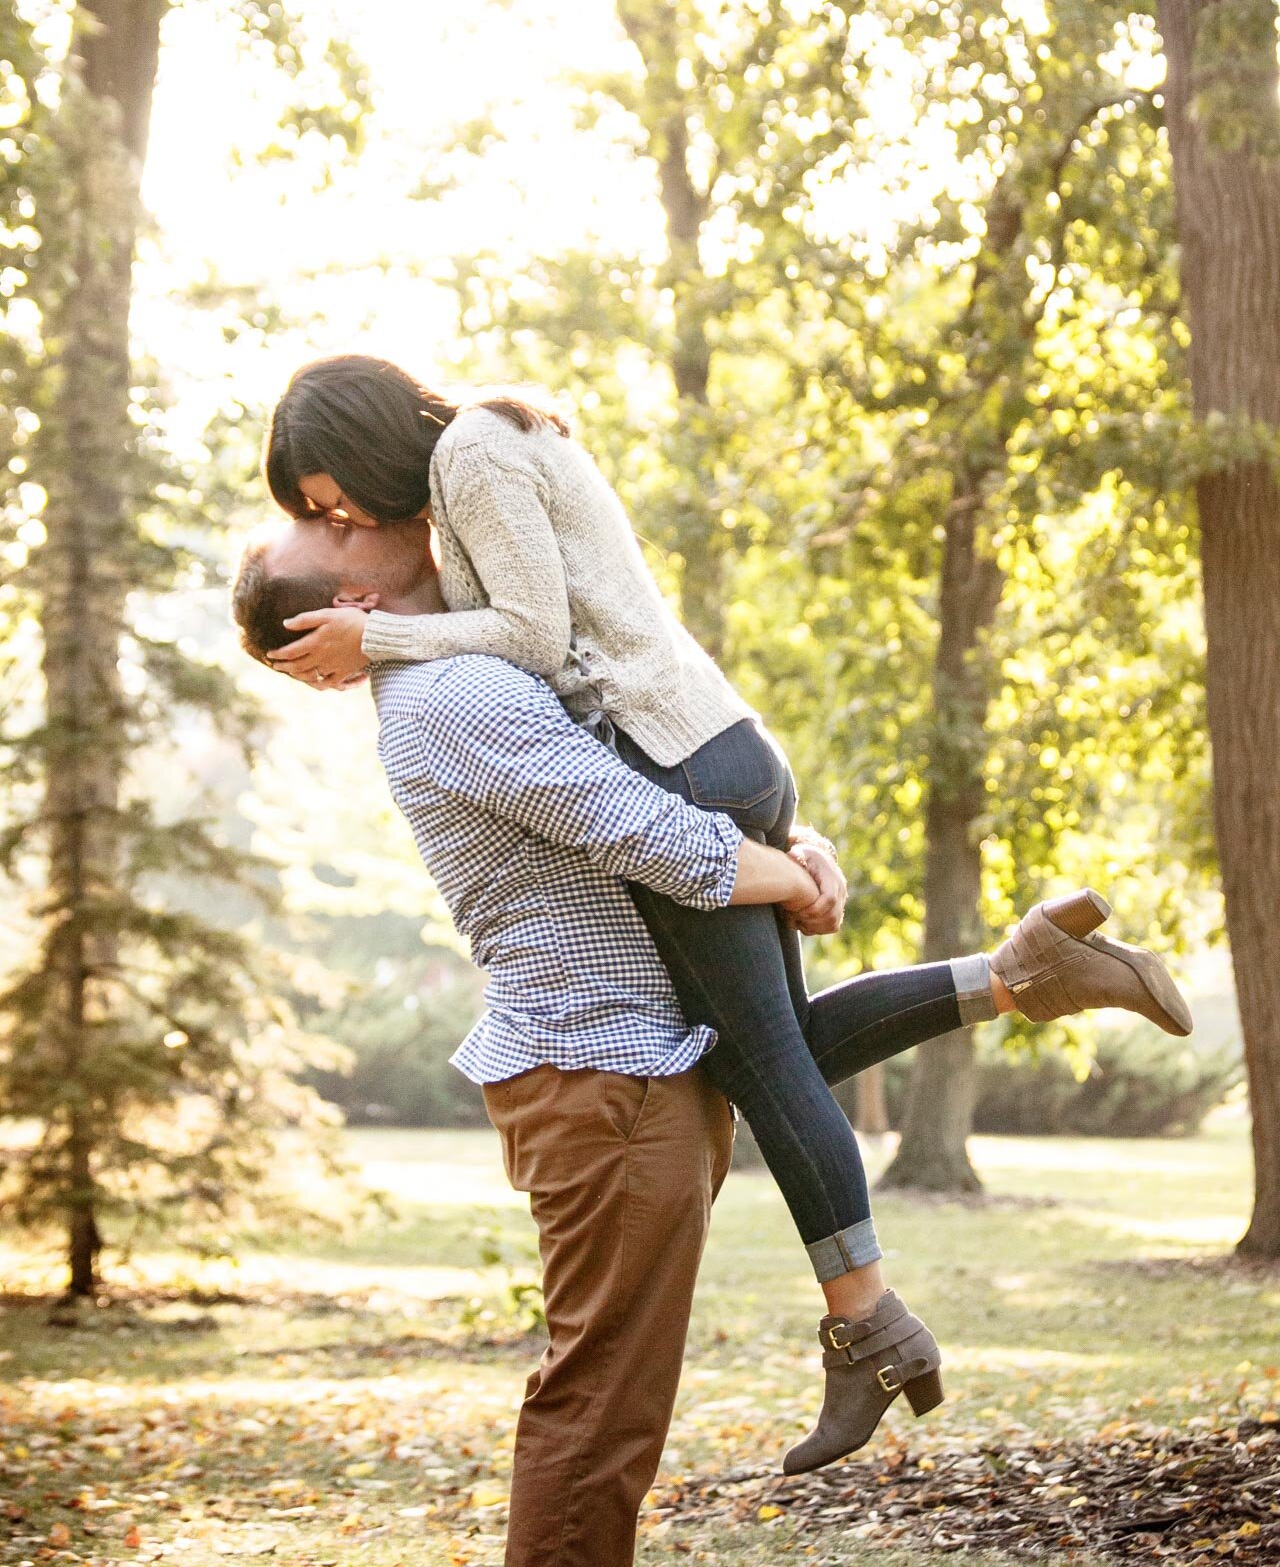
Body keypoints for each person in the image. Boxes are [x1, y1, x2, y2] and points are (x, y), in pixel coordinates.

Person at [257, 355, 1195, 1473]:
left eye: (331, 499)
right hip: (712, 746)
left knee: (767, 1068)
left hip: (677, 768)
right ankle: (1020, 974)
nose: (343, 520)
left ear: (363, 439)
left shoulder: (469, 455)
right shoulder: (485, 462)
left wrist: (380, 641)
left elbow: (539, 643)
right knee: (774, 1046)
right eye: (322, 519)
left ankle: (869, 1327)